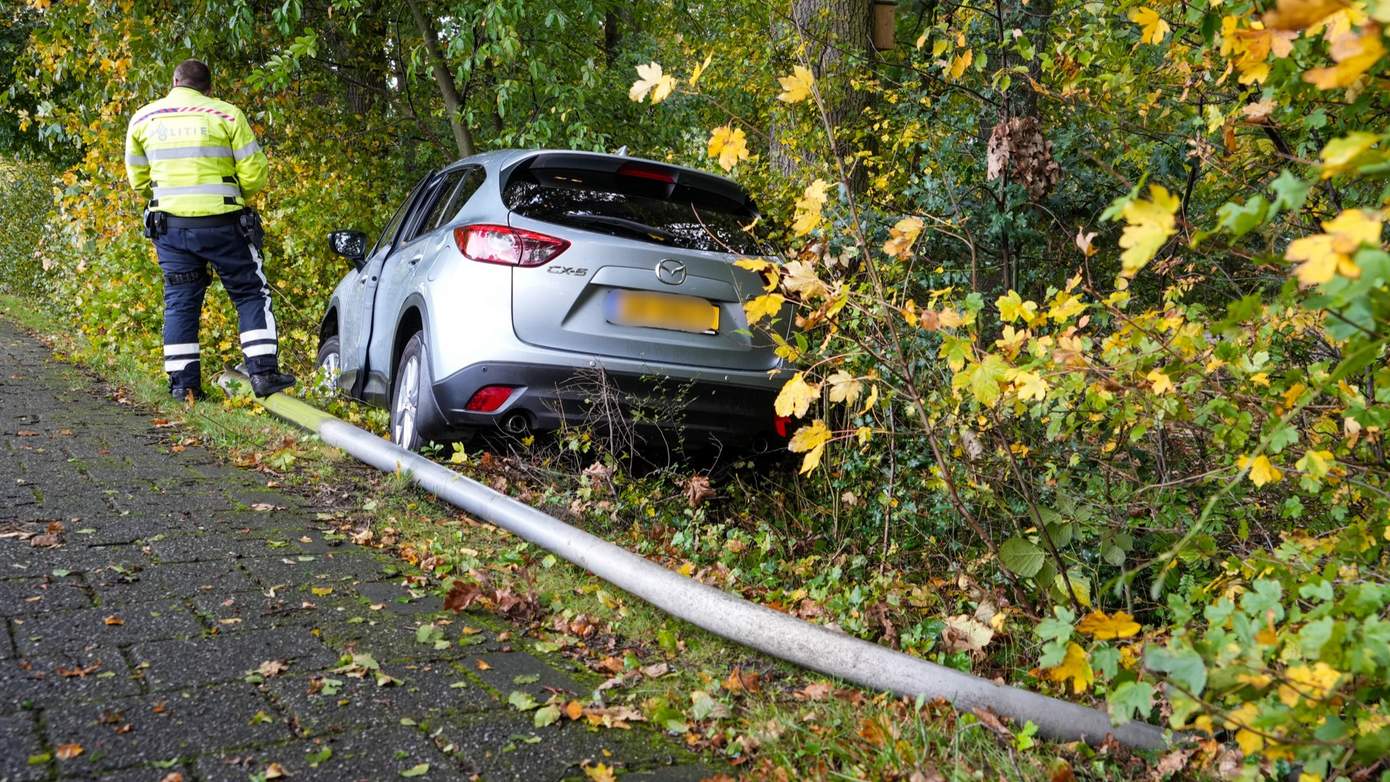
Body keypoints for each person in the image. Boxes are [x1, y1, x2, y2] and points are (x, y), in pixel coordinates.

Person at [123, 58, 295, 400]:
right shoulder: (227, 115)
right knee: (249, 293)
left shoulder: (143, 118)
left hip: (170, 228)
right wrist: (233, 195)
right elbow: (254, 175)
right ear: (209, 88)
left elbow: (137, 179)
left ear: (174, 81)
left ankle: (184, 387)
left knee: (180, 301)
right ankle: (262, 373)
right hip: (223, 225)